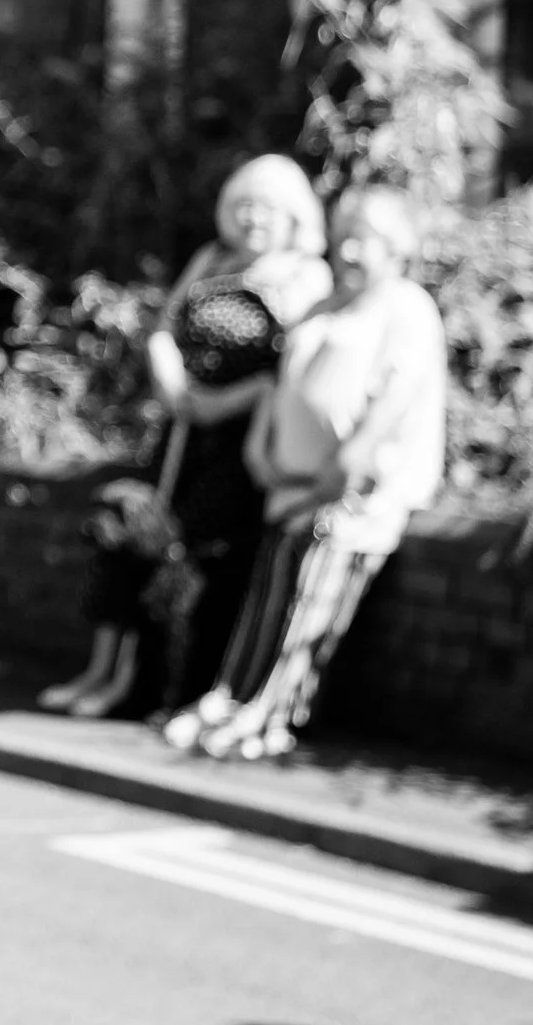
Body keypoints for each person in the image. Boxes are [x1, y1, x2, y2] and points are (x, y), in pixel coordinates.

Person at [38, 155, 330, 719]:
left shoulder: (305, 275)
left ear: (293, 215)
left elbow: (287, 368)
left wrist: (224, 403)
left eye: (266, 208)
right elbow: (165, 328)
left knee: (189, 559)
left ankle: (158, 687)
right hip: (180, 435)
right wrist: (171, 379)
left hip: (240, 446)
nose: (252, 218)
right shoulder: (212, 258)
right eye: (243, 204)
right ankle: (105, 674)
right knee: (133, 540)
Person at [166, 187, 446, 760]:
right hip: (289, 489)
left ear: (398, 250)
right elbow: (284, 384)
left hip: (349, 501)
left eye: (363, 239)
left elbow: (395, 401)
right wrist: (265, 453)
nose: (347, 249)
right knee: (266, 592)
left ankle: (271, 713)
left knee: (309, 595)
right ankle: (232, 695)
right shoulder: (328, 305)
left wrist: (339, 472)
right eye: (343, 234)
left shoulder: (407, 307)